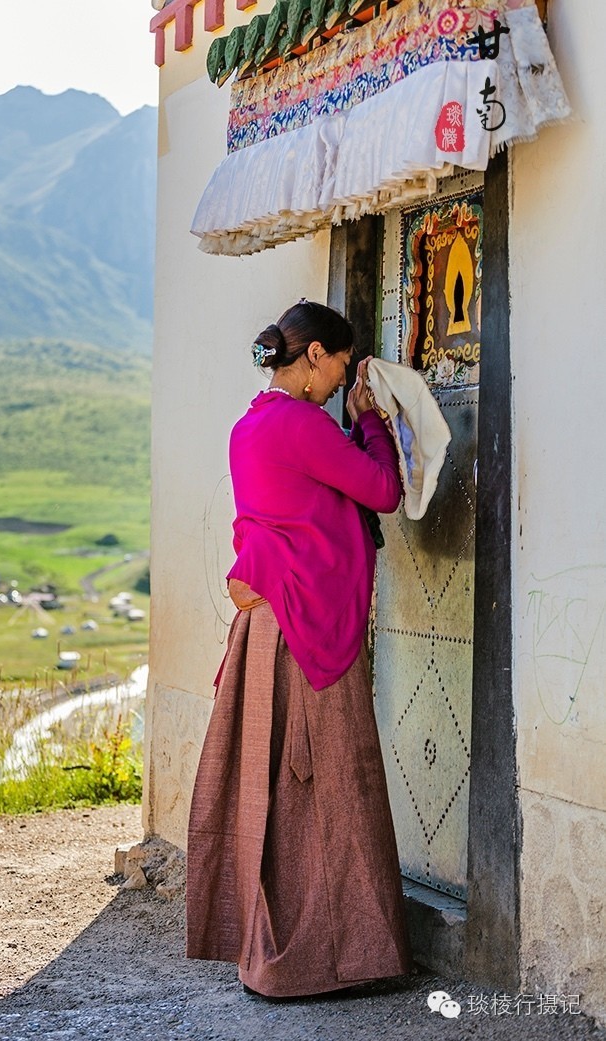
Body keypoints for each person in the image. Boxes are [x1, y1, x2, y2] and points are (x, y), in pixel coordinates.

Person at [186, 299, 411, 999]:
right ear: (314, 354)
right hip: (308, 632)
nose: (342, 382)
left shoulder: (250, 424)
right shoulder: (302, 423)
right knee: (332, 786)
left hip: (264, 631)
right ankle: (332, 959)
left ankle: (273, 954)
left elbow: (299, 504)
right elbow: (381, 490)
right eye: (341, 368)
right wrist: (371, 419)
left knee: (280, 792)